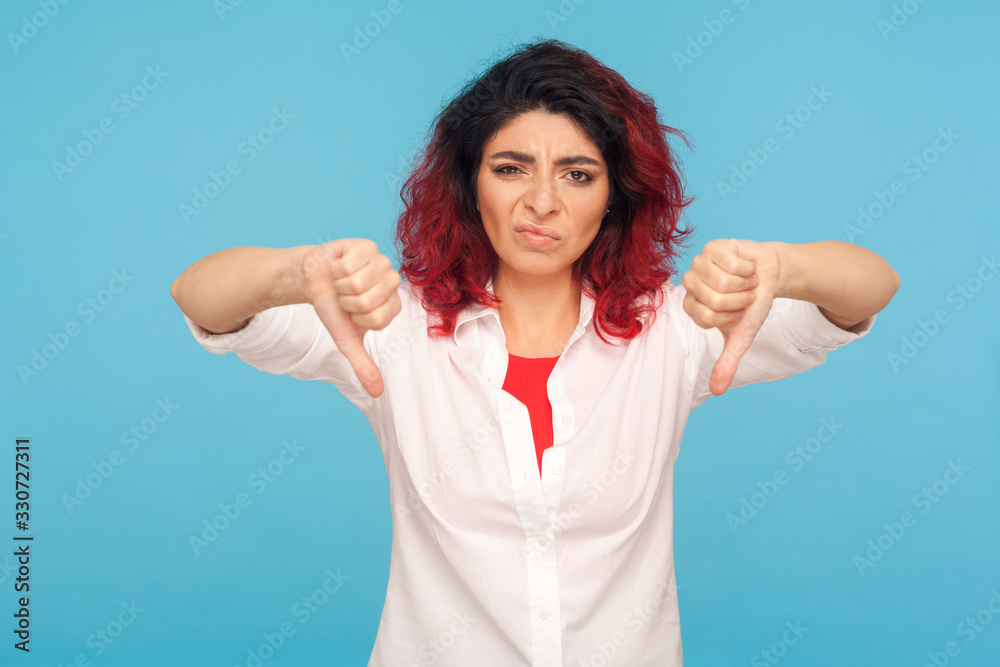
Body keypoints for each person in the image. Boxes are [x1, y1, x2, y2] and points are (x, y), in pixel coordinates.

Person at [171, 39, 898, 666]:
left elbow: (872, 287)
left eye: (577, 174)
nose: (542, 202)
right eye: (511, 168)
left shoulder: (675, 329)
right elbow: (197, 294)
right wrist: (291, 272)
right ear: (470, 186)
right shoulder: (391, 327)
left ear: (614, 198)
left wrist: (785, 266)